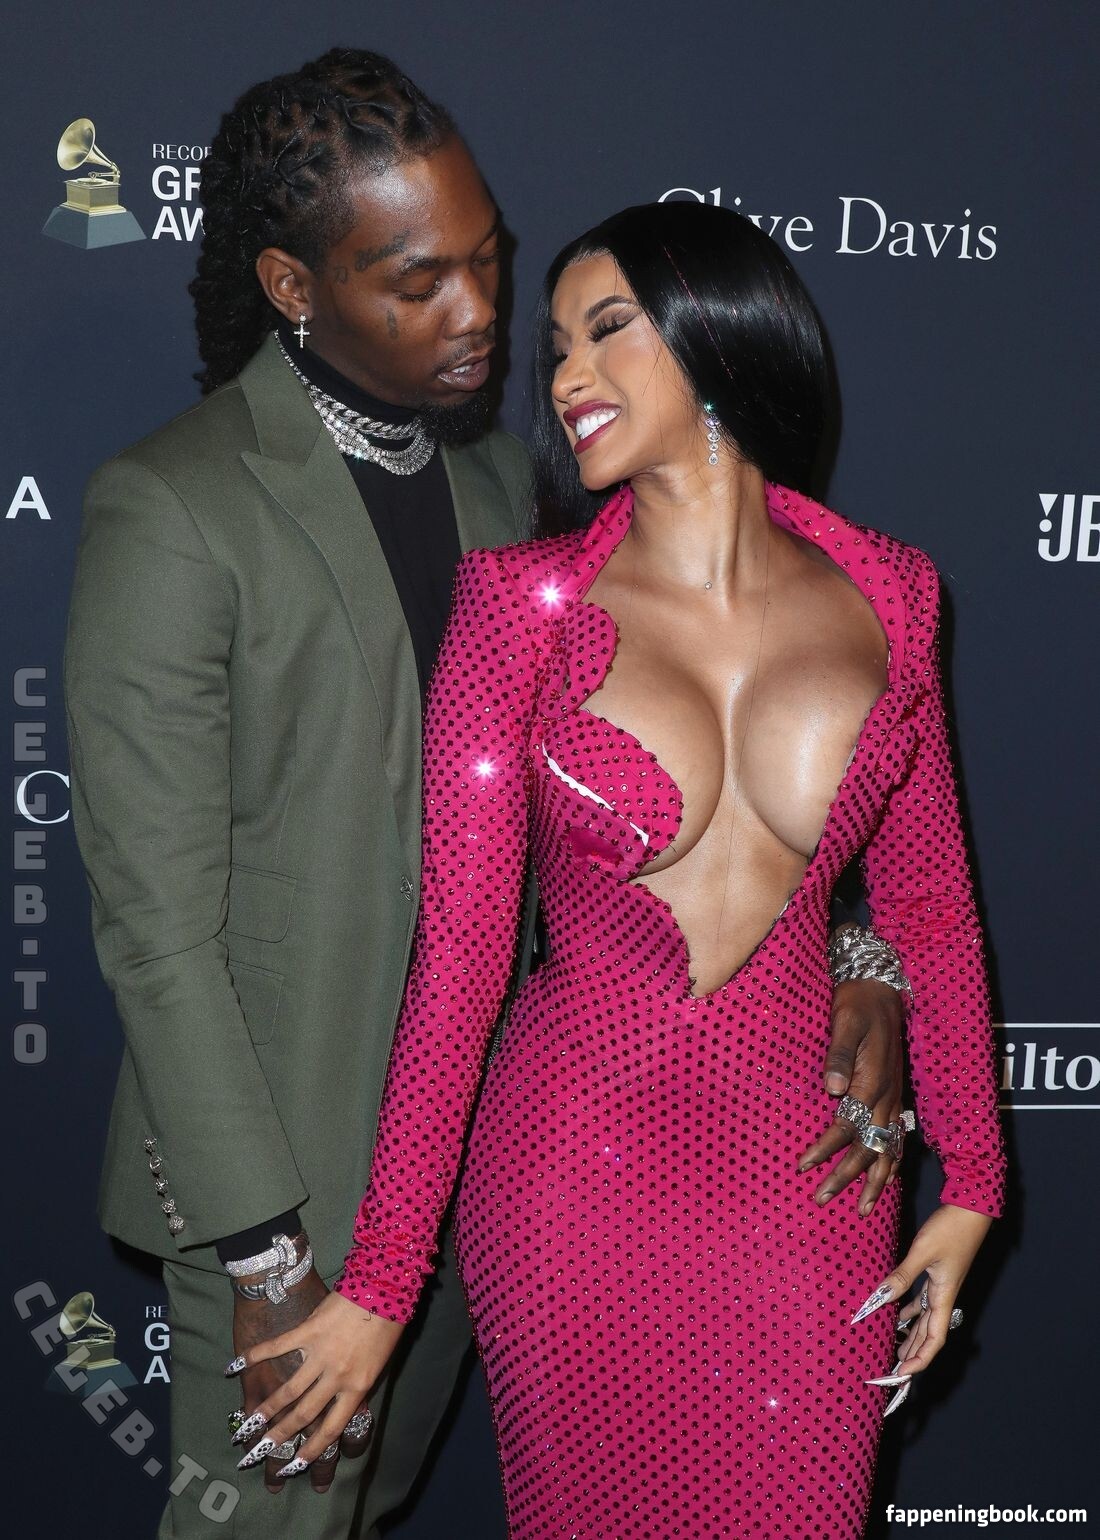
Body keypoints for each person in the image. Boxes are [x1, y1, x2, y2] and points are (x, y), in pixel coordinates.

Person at [65, 46, 910, 1539]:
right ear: (293, 284)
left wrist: (855, 958)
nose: (479, 314)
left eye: (488, 260)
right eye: (419, 281)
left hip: (503, 1153)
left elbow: (664, 790)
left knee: (381, 1506)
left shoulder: (506, 486)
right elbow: (156, 931)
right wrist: (265, 1250)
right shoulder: (174, 506)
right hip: (292, 1171)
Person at [232, 200, 1007, 1538]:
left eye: (607, 331)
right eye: (557, 348)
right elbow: (462, 962)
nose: (567, 377)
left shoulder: (895, 593)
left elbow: (930, 905)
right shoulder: (517, 609)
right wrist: (383, 1281)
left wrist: (978, 1184)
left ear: (718, 338)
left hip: (809, 1187)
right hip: (570, 1184)